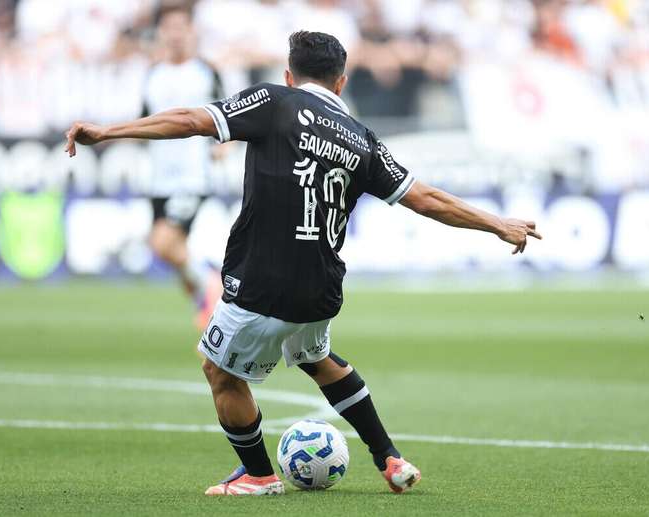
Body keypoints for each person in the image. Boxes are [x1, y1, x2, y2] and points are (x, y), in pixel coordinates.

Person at [65, 31, 542, 496]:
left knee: (219, 371)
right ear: (341, 82)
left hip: (263, 280)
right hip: (321, 288)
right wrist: (497, 223)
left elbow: (193, 119)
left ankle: (258, 475)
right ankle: (390, 458)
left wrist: (108, 132)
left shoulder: (275, 102)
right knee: (316, 359)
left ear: (289, 76)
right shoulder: (361, 139)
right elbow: (426, 198)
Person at [144, 8, 223, 329]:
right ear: (161, 33)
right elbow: (145, 120)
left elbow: (227, 115)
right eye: (169, 27)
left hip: (192, 175)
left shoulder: (205, 73)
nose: (175, 34)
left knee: (162, 243)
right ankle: (209, 305)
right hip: (159, 178)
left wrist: (223, 146)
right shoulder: (153, 74)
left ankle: (214, 287)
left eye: (181, 27)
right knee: (172, 251)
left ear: (192, 32)